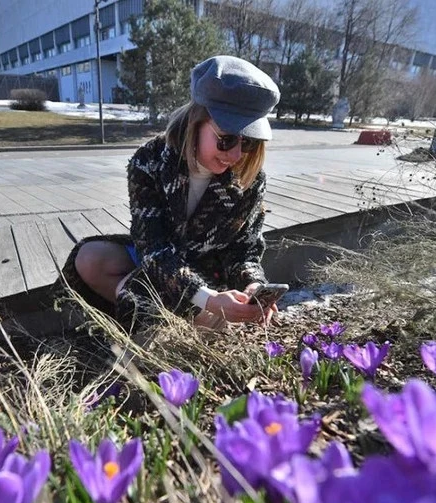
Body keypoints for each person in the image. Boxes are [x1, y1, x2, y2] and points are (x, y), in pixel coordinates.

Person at [60, 55, 281, 330]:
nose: (236, 155)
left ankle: (160, 313)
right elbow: (152, 246)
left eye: (247, 142)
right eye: (226, 140)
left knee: (146, 297)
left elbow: (244, 250)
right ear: (195, 121)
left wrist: (253, 285)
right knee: (90, 259)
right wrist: (206, 299)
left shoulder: (250, 178)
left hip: (211, 274)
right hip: (167, 266)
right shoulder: (150, 161)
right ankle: (161, 311)